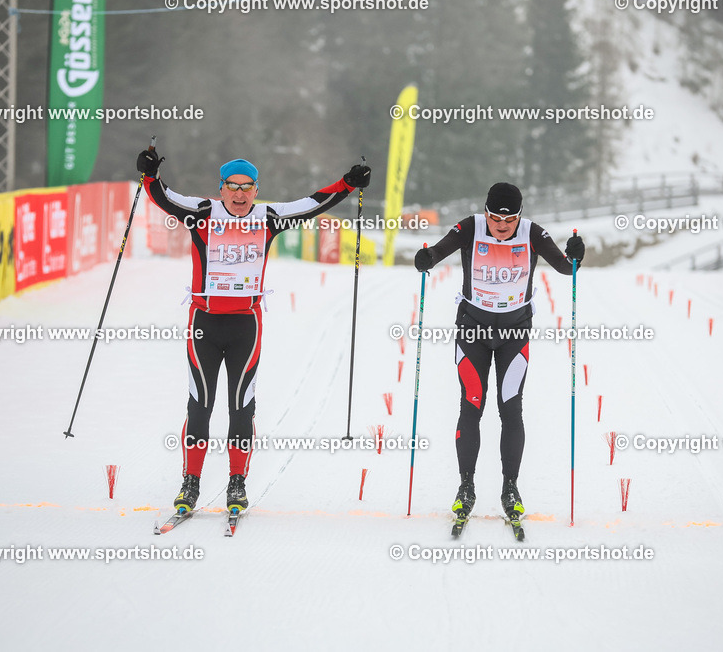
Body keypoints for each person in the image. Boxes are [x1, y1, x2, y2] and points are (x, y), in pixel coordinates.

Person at [136, 147, 371, 513]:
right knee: (199, 406)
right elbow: (162, 197)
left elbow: (312, 203)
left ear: (256, 190)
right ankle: (191, 483)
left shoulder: (269, 218)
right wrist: (149, 174)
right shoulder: (202, 214)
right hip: (204, 323)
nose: (241, 194)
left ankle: (236, 484)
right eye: (233, 186)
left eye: (248, 187)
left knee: (241, 407)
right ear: (222, 189)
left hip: (247, 324)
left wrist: (347, 183)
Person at [413, 182, 584, 520]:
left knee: (510, 408)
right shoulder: (470, 227)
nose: (502, 227)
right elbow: (437, 251)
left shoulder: (532, 233)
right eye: (495, 219)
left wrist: (577, 254)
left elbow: (567, 268)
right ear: (486, 212)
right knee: (471, 404)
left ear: (519, 216)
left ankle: (510, 486)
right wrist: (426, 258)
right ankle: (466, 485)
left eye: (510, 221)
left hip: (514, 332)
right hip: (472, 329)